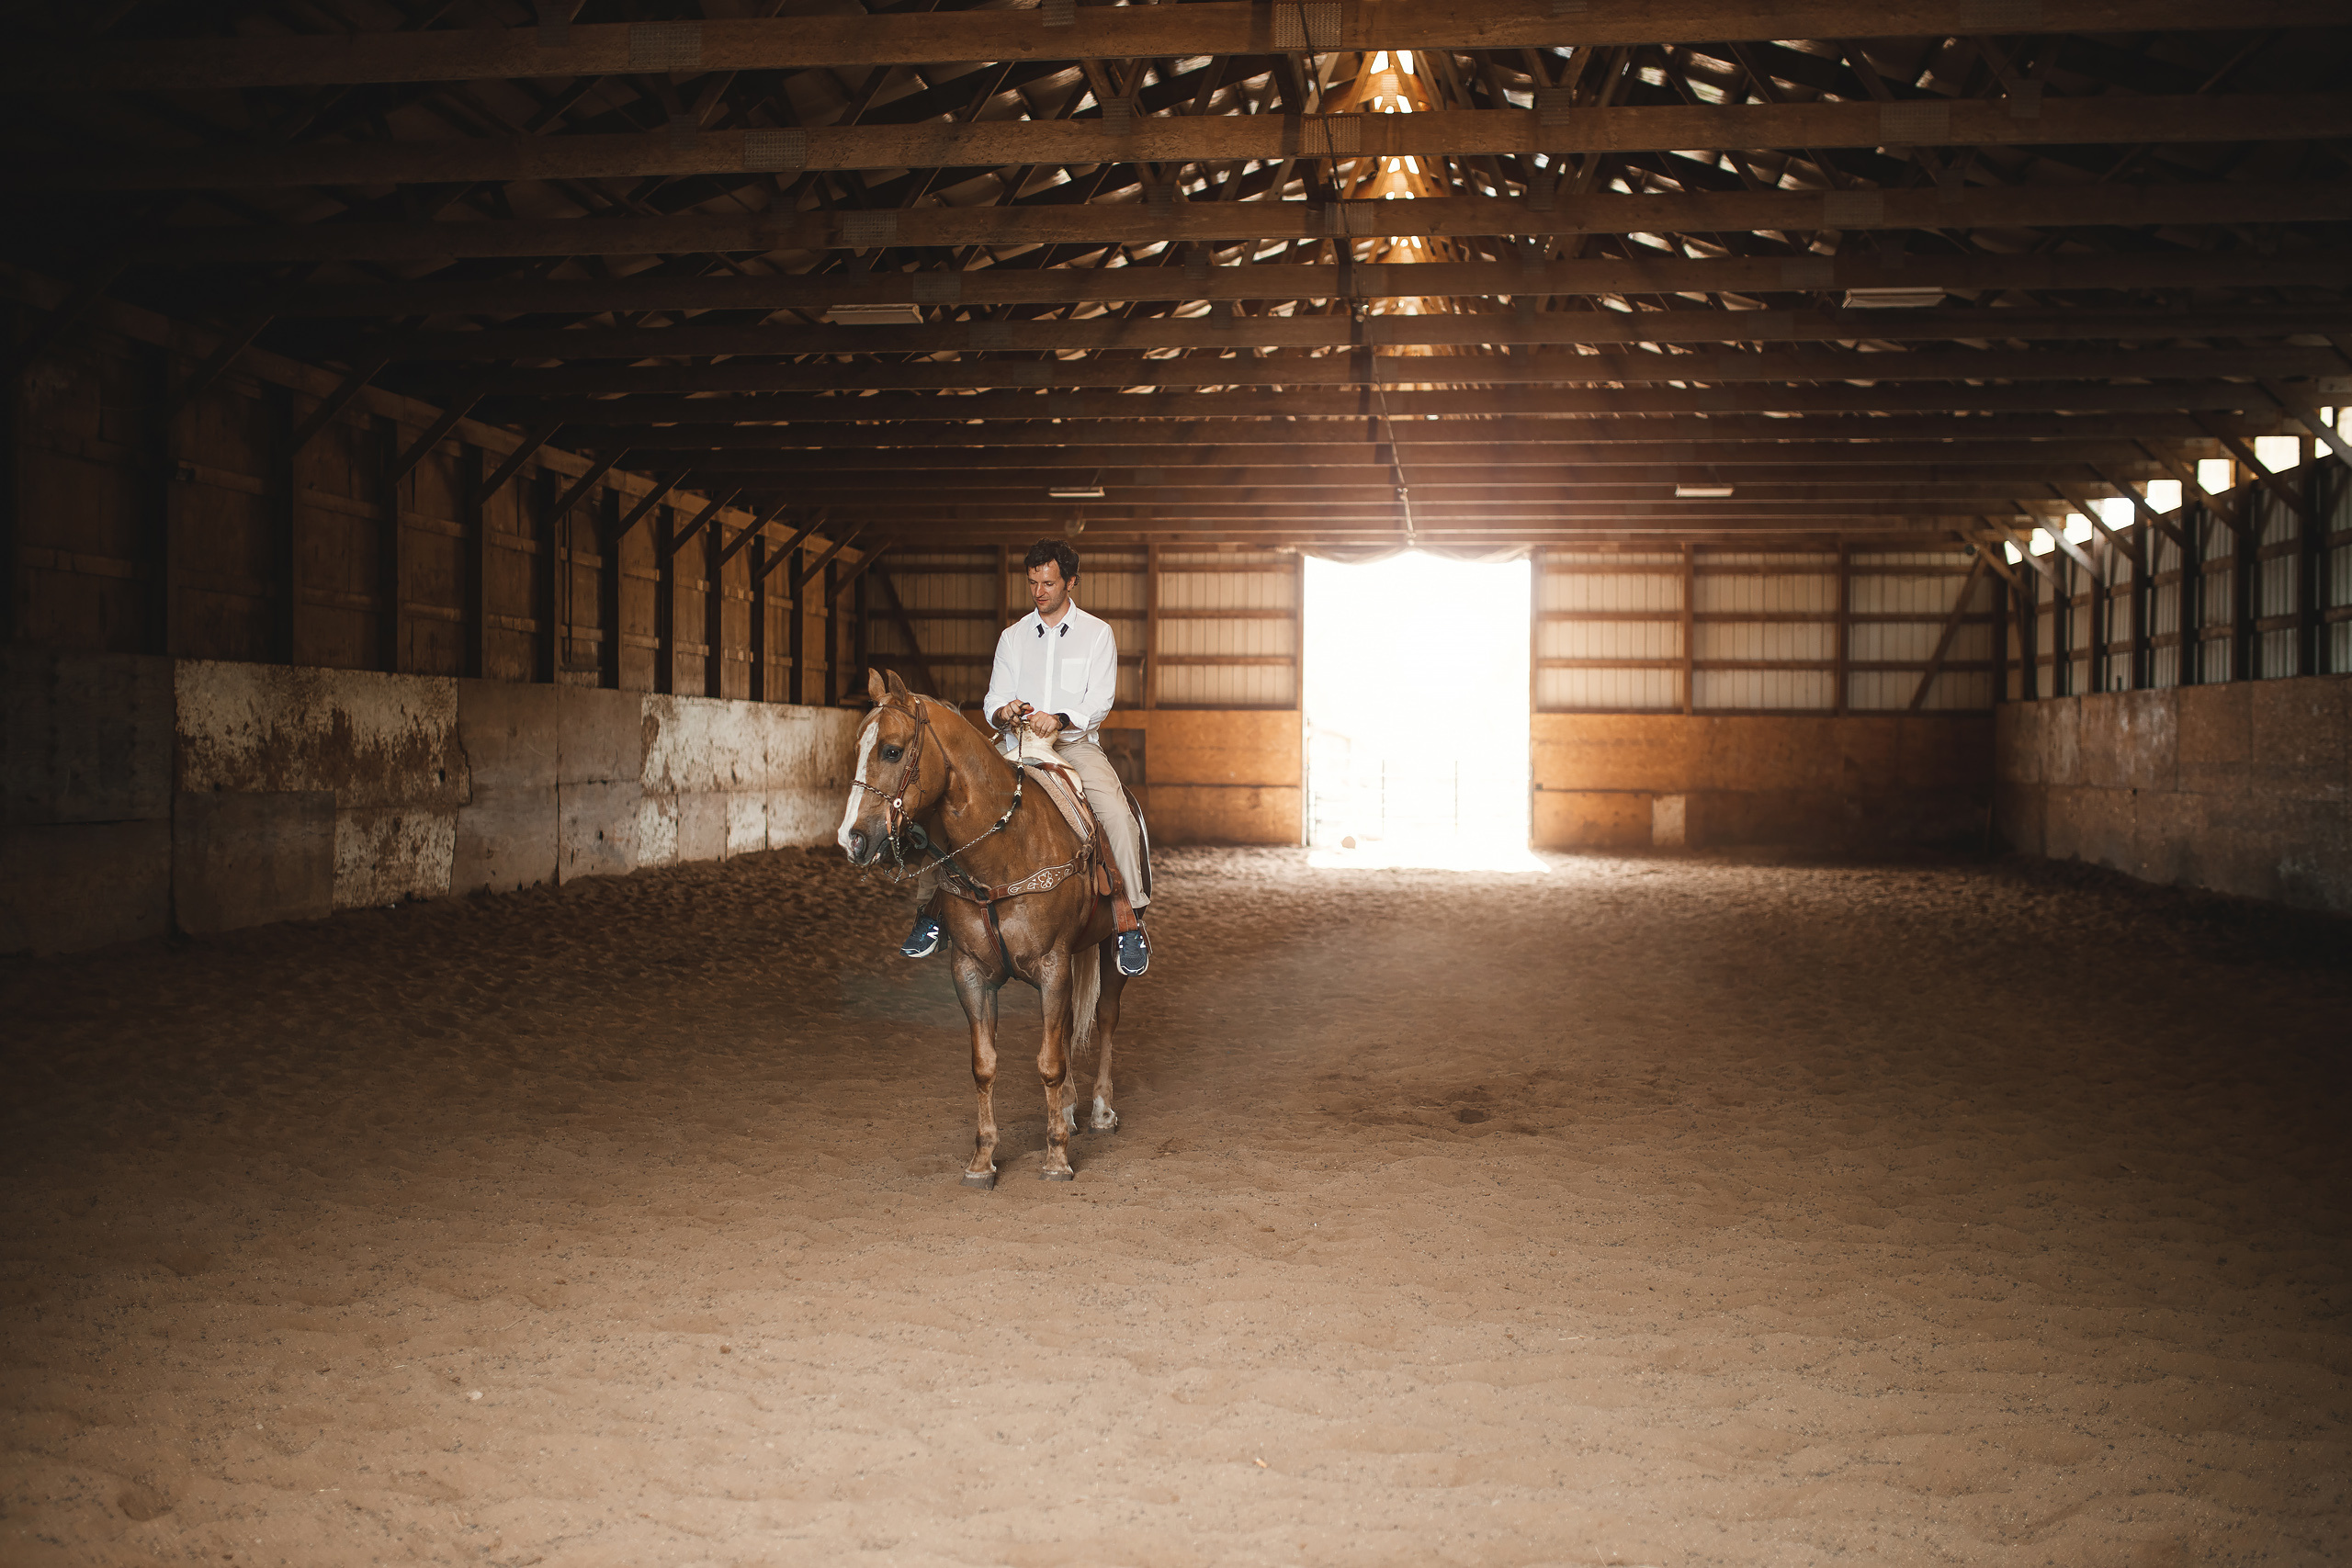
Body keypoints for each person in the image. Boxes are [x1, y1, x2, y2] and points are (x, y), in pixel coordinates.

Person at [900, 538, 1151, 976]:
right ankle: (930, 912)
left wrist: (1060, 719)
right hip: (1015, 744)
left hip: (1074, 743)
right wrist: (1005, 712)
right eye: (1033, 582)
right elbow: (993, 698)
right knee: (949, 803)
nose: (1039, 591)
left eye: (1049, 582)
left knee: (1114, 810)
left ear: (1071, 582)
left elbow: (1101, 700)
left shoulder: (1097, 634)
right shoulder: (1013, 637)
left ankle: (1129, 920)